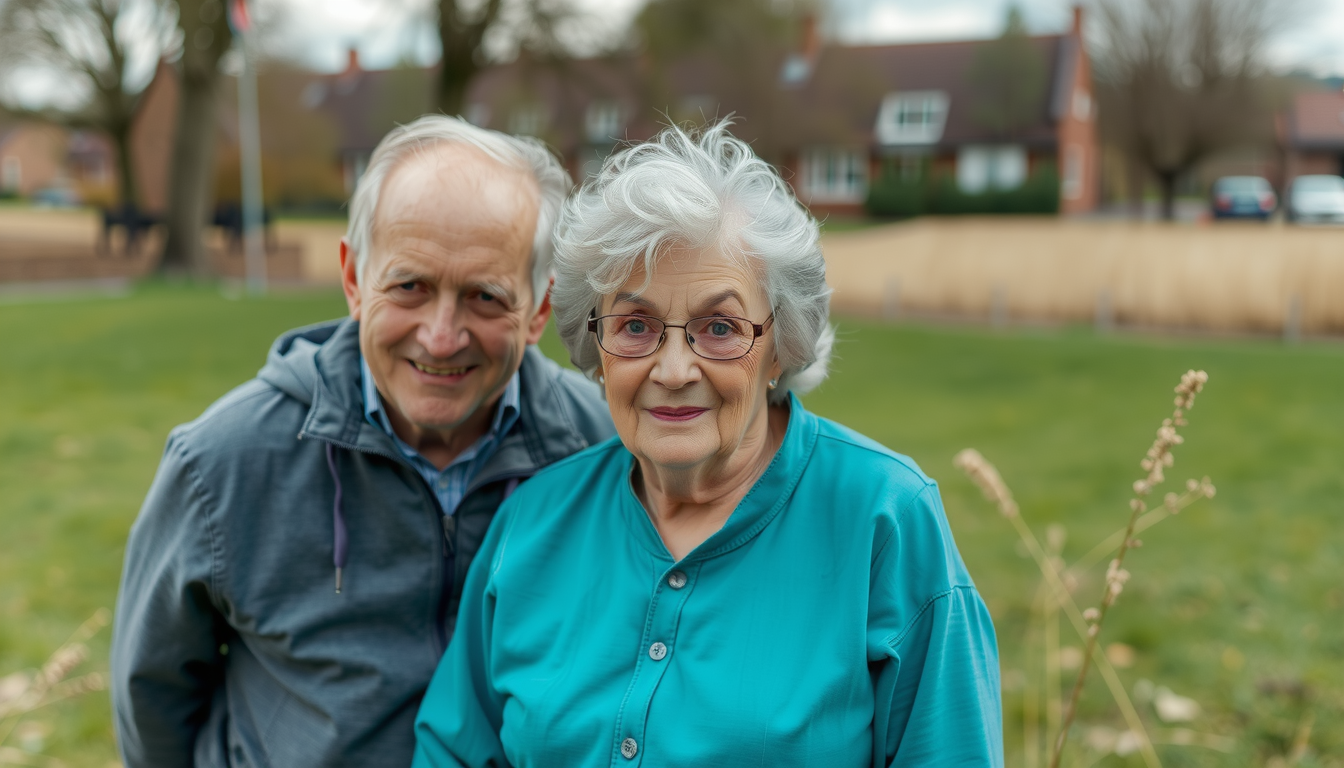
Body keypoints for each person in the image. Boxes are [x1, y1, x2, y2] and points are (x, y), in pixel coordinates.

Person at [413, 121, 1003, 767]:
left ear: (781, 346)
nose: (672, 371)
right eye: (635, 325)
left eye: (719, 327)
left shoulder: (884, 520)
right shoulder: (534, 520)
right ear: (595, 345)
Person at [110, 115, 615, 767]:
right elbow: (152, 706)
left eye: (485, 296)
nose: (441, 337)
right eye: (410, 287)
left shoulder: (603, 453)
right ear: (353, 279)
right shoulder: (221, 464)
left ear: (540, 307)